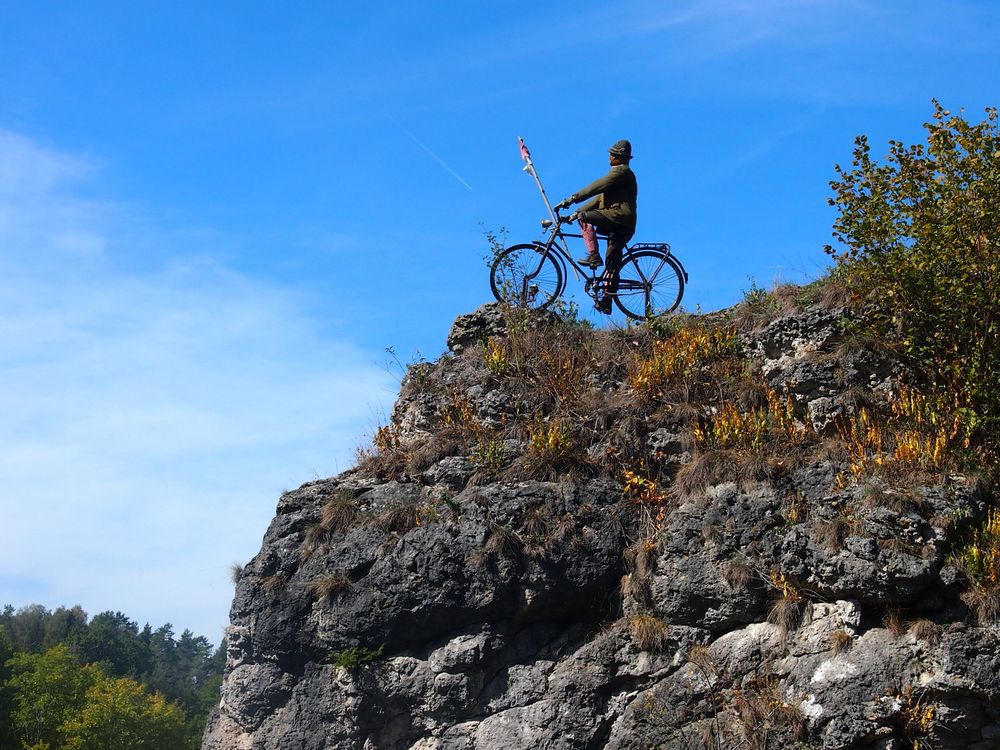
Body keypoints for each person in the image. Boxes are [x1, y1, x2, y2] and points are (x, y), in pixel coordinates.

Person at [554, 139, 637, 314]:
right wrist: (573, 214)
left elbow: (595, 188)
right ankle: (607, 300)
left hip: (619, 218)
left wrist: (572, 200)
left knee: (585, 218)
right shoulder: (619, 176)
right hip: (621, 223)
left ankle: (593, 255)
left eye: (612, 154)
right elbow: (598, 201)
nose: (609, 157)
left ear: (619, 157)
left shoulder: (620, 173)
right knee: (612, 265)